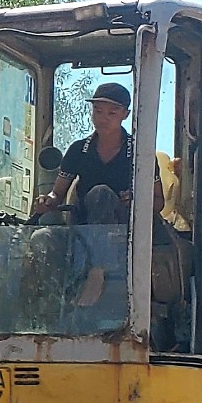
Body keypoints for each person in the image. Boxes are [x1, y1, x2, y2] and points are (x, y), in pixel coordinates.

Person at [44, 82, 135, 311]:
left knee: (102, 193)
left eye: (112, 113)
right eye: (98, 111)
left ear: (126, 114)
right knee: (41, 238)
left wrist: (134, 199)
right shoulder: (77, 150)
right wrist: (48, 200)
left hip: (124, 228)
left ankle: (97, 272)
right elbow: (58, 192)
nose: (103, 118)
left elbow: (157, 201)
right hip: (82, 226)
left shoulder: (138, 151)